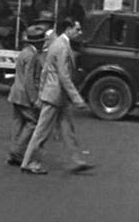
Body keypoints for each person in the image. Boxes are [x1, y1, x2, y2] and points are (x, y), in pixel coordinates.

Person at [20, 18, 94, 175]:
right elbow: (64, 76)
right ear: (68, 29)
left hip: (56, 95)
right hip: (55, 96)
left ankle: (76, 160)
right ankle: (29, 162)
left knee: (67, 130)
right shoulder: (62, 47)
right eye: (77, 29)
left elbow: (46, 70)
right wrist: (77, 98)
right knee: (42, 131)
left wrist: (42, 92)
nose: (79, 33)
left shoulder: (58, 44)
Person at [6, 26, 46, 166]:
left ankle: (13, 152)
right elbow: (29, 79)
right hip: (24, 95)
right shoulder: (33, 56)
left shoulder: (24, 52)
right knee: (32, 123)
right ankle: (17, 151)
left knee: (18, 122)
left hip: (15, 93)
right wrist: (34, 99)